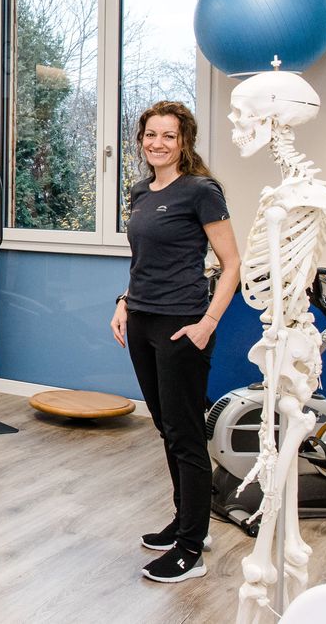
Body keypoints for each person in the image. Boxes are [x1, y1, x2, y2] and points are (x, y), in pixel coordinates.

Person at [110, 101, 240, 584]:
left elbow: (232, 264)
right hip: (141, 321)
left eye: (168, 135)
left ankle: (191, 550)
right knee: (167, 428)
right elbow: (144, 261)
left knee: (185, 434)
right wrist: (124, 301)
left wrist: (207, 323)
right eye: (150, 134)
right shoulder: (141, 191)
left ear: (184, 141)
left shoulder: (201, 191)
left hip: (183, 323)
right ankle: (187, 522)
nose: (157, 143)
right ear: (141, 140)